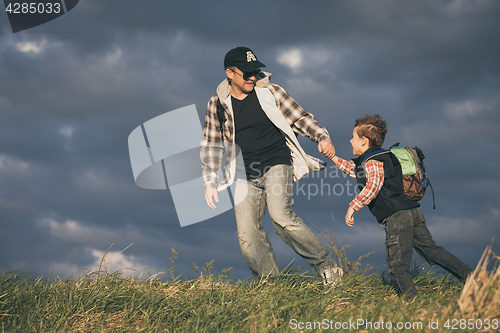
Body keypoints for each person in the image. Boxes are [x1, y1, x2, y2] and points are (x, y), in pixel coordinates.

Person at [200, 46, 343, 286]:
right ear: (230, 73)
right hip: (242, 172)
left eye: (255, 71)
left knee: (281, 218)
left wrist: (322, 137)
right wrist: (210, 182)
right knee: (247, 235)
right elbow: (211, 144)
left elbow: (300, 118)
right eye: (246, 73)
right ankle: (270, 285)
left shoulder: (271, 92)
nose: (252, 77)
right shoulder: (217, 104)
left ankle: (328, 268)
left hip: (276, 161)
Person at [330, 114, 473, 299]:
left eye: (353, 137)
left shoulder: (372, 161)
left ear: (364, 141)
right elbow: (355, 170)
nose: (350, 141)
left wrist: (353, 206)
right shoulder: (381, 157)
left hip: (397, 217)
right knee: (432, 251)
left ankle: (412, 303)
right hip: (412, 211)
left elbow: (373, 185)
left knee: (398, 265)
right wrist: (333, 158)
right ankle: (472, 277)